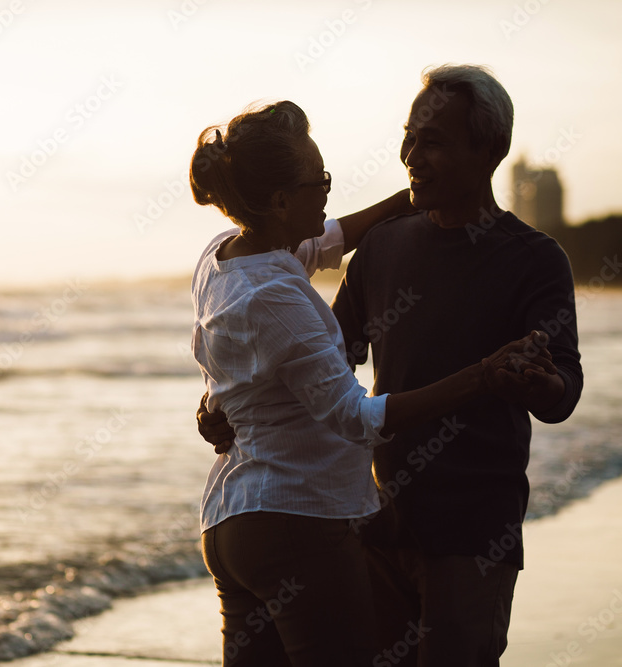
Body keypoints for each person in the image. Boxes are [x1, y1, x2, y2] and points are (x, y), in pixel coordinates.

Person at [188, 99, 556, 667]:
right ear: (283, 201)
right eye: (322, 179)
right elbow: (354, 417)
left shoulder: (224, 257)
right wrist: (484, 375)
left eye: (430, 142)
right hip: (299, 522)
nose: (330, 190)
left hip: (233, 524)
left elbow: (326, 245)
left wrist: (422, 189)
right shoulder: (281, 293)